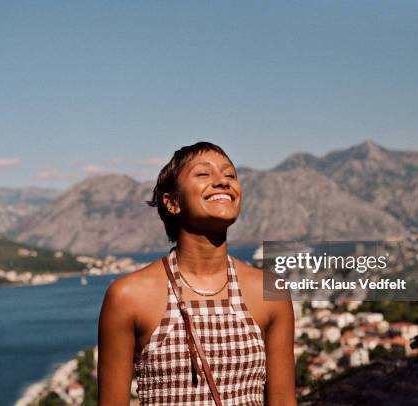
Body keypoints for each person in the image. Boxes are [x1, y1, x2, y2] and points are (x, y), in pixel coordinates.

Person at [98, 142, 296, 405]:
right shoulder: (129, 296)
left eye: (230, 175)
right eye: (204, 174)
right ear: (172, 202)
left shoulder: (271, 291)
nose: (222, 182)